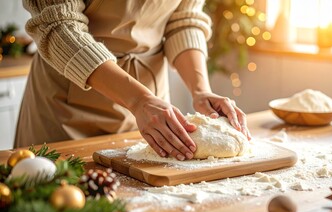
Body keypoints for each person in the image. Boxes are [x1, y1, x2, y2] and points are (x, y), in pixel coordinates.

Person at [15, 0, 251, 161]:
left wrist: (201, 90)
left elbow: (184, 19)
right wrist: (139, 100)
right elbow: (57, 26)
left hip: (154, 107)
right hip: (67, 100)